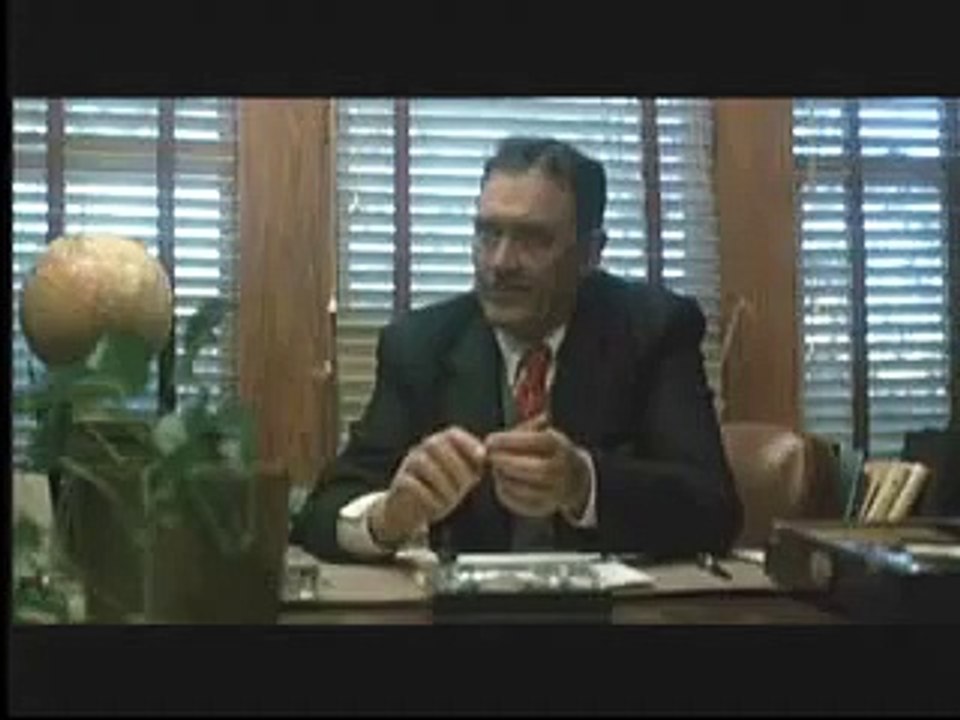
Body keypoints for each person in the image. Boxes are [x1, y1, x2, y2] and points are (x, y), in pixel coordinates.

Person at [291, 136, 742, 562]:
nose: (500, 262)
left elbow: (714, 510)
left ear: (590, 253)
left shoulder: (654, 330)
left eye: (533, 239)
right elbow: (321, 514)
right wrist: (387, 517)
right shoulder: (420, 345)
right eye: (488, 234)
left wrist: (584, 485)